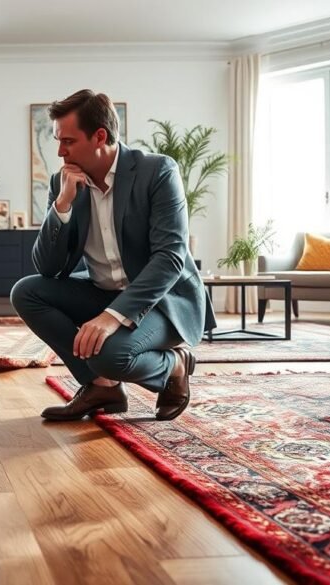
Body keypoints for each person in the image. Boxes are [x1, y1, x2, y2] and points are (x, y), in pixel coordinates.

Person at [11, 89, 214, 421]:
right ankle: (102, 386)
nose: (60, 151)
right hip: (101, 291)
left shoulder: (157, 171)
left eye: (68, 142)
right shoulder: (62, 182)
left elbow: (170, 258)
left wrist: (111, 317)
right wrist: (61, 206)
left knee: (109, 354)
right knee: (26, 292)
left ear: (99, 136)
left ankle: (175, 366)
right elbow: (46, 267)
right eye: (58, 142)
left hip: (161, 301)